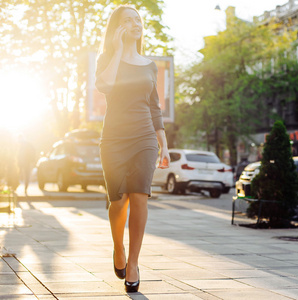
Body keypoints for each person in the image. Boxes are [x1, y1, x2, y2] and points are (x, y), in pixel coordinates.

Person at [95, 5, 170, 293]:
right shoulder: (106, 59)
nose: (135, 23)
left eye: (137, 19)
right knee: (118, 199)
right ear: (117, 28)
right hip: (114, 138)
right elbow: (104, 85)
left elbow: (155, 107)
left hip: (144, 138)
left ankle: (135, 263)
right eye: (127, 20)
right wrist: (116, 51)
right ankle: (118, 248)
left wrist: (163, 144)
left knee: (139, 195)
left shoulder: (150, 65)